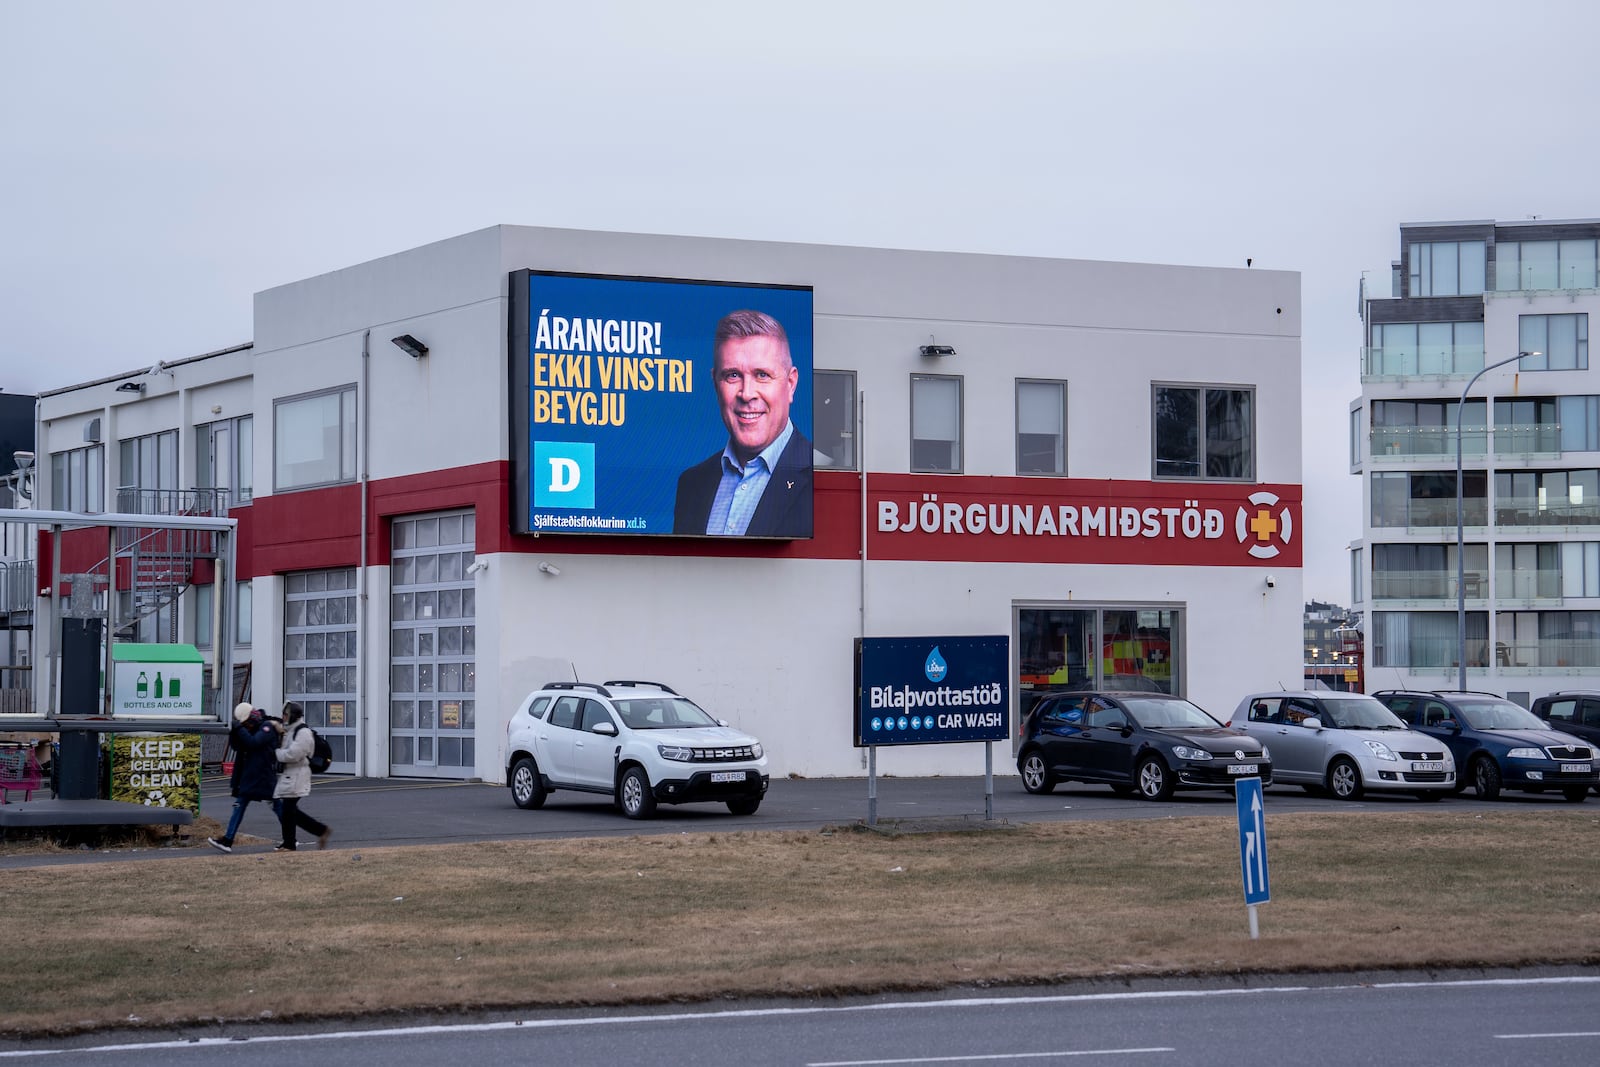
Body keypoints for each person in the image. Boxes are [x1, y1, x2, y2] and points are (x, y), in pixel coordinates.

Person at [673, 309, 813, 537]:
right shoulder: (691, 484)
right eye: (733, 376)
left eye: (762, 375)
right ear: (715, 384)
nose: (747, 394)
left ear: (791, 383)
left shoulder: (819, 476)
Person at [207, 702, 281, 853]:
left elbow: (253, 743)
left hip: (264, 776)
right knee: (239, 806)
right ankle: (228, 840)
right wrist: (234, 732)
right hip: (251, 776)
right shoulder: (251, 729)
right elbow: (239, 747)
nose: (245, 726)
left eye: (245, 723)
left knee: (278, 807)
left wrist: (239, 728)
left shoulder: (266, 727)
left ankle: (290, 837)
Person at [272, 702, 331, 851]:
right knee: (289, 810)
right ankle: (314, 833)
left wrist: (276, 754)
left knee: (288, 810)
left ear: (292, 716)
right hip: (290, 774)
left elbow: (294, 754)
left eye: (286, 715)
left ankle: (292, 842)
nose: (283, 718)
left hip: (298, 774)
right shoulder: (290, 730)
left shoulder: (303, 732)